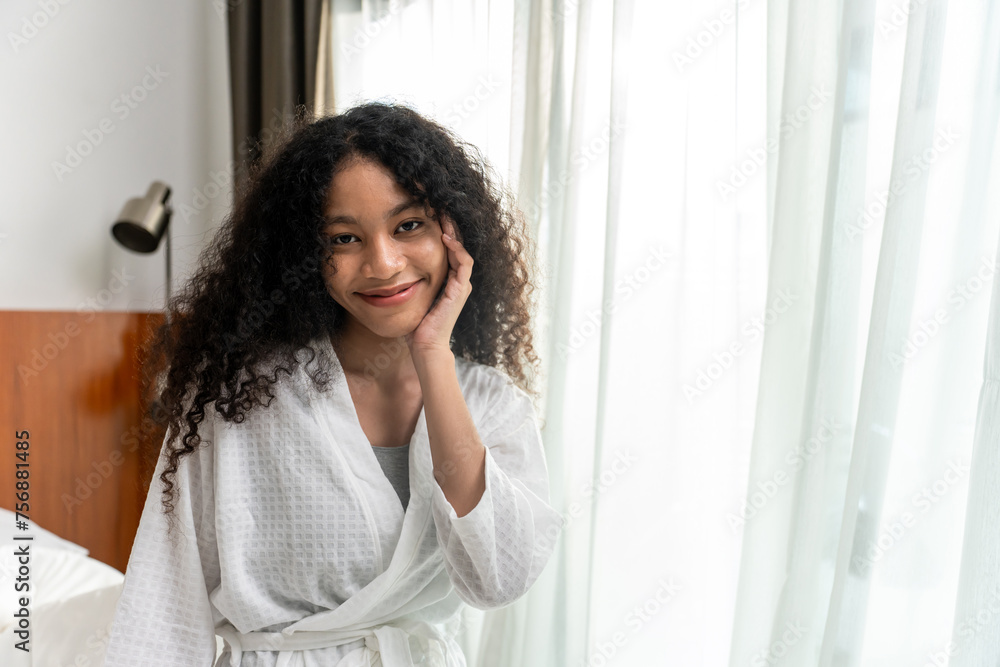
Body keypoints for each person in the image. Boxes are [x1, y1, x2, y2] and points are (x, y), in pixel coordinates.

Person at [102, 101, 565, 666]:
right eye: (343, 239)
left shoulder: (493, 404)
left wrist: (432, 355)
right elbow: (163, 605)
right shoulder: (239, 397)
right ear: (304, 255)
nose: (384, 263)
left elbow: (500, 579)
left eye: (409, 225)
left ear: (456, 233)